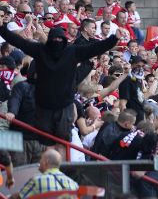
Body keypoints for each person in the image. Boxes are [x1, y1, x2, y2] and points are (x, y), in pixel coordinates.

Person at [0, 17, 121, 152]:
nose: (57, 42)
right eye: (54, 40)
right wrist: (2, 29)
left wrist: (113, 38)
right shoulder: (40, 50)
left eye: (59, 39)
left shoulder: (72, 52)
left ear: (64, 41)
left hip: (65, 105)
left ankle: (60, 169)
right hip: (44, 106)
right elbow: (19, 42)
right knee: (46, 142)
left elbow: (95, 48)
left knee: (63, 142)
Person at [13, 149, 78, 199]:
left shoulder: (37, 180)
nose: (39, 161)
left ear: (46, 162)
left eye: (41, 158)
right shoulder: (73, 183)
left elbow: (20, 197)